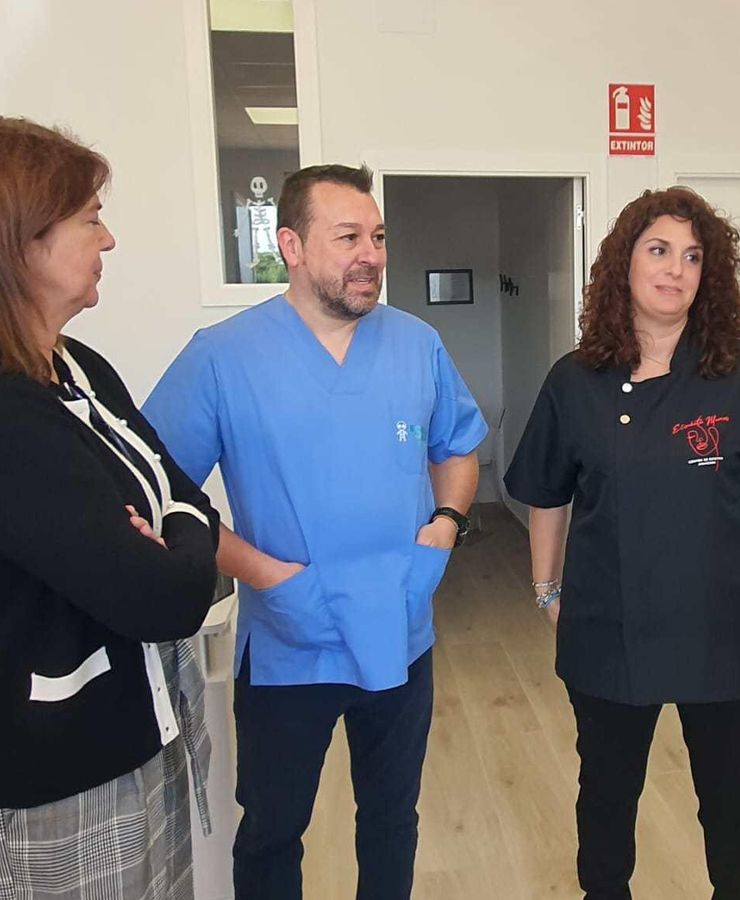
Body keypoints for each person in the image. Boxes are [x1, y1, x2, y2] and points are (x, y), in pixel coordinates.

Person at [0, 111, 222, 900]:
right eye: (90, 218)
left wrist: (171, 528)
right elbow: (161, 596)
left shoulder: (74, 367)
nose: (109, 241)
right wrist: (174, 540)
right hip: (40, 799)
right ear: (9, 239)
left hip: (137, 748)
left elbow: (186, 495)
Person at [142, 163, 487, 899]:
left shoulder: (415, 343)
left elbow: (458, 446)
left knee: (392, 818)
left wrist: (447, 525)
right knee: (271, 828)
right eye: (349, 236)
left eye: (379, 236)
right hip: (289, 640)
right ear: (290, 245)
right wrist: (262, 573)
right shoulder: (224, 355)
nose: (372, 253)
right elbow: (160, 489)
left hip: (399, 627)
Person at [504, 187, 740, 900]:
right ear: (623, 264)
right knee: (607, 797)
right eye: (659, 250)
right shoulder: (575, 382)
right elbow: (547, 493)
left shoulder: (739, 374)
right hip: (610, 629)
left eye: (692, 256)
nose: (675, 269)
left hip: (728, 632)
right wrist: (547, 589)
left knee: (731, 799)